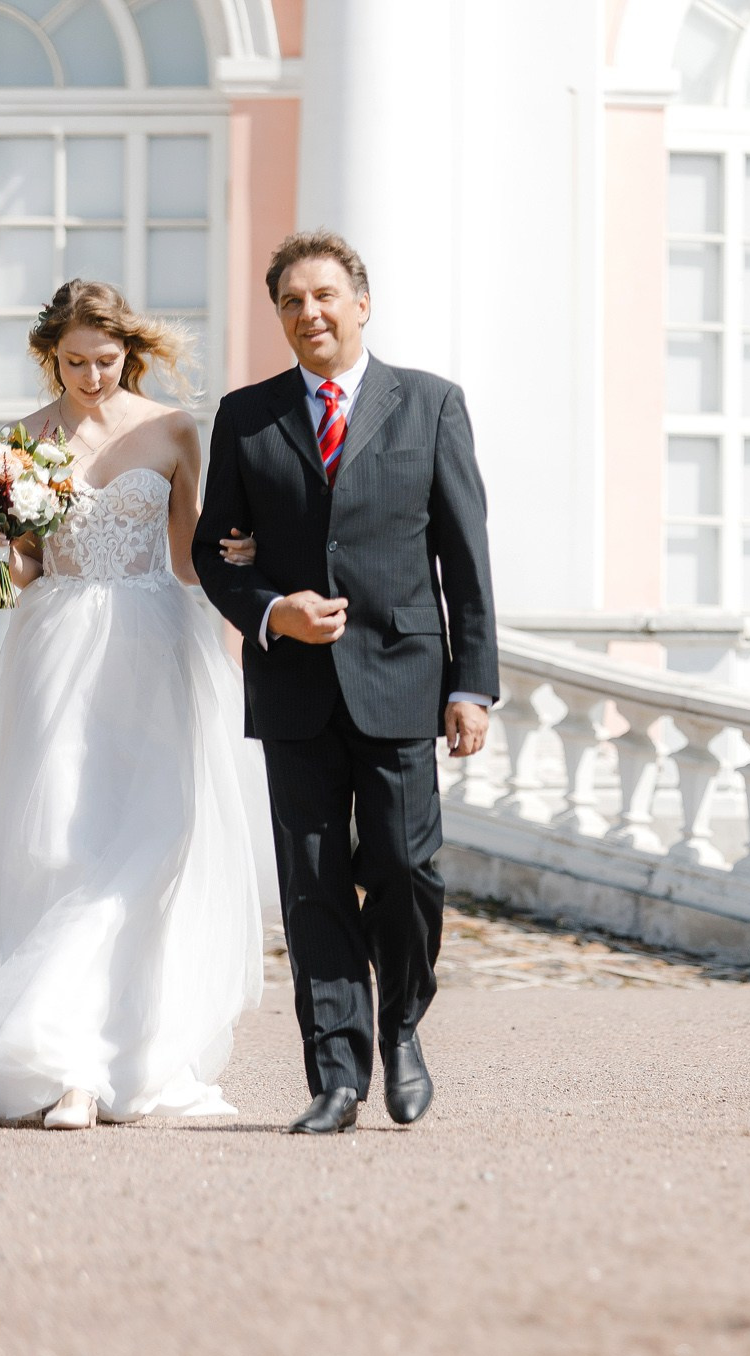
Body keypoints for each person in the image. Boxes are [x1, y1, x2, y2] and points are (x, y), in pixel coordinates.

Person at [0, 280, 265, 1130]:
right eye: (75, 363)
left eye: (106, 362)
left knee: (149, 843)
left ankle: (112, 1057)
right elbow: (23, 574)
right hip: (59, 647)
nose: (92, 377)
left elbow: (185, 562)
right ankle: (68, 1066)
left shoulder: (174, 429)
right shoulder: (21, 442)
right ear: (49, 357)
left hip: (154, 645)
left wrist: (239, 551)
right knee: (60, 841)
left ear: (128, 353)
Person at [193, 231, 498, 1136]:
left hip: (403, 677)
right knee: (313, 884)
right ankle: (335, 1074)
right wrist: (270, 609)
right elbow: (215, 550)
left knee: (405, 869)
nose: (309, 314)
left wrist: (472, 684)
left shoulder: (431, 406)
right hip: (293, 686)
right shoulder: (245, 418)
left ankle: (402, 1024)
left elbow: (465, 557)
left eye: (324, 296)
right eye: (290, 302)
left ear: (361, 303)